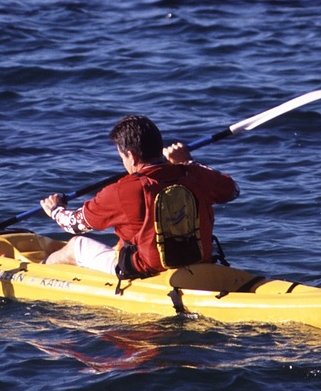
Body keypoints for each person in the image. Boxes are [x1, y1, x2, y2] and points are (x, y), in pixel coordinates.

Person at [40, 114, 239, 278]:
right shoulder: (193, 174)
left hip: (145, 269)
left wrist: (55, 210)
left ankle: (39, 273)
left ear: (132, 156)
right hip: (200, 261)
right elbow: (232, 191)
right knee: (122, 240)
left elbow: (75, 225)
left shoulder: (122, 190)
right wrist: (188, 162)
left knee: (76, 245)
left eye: (122, 157)